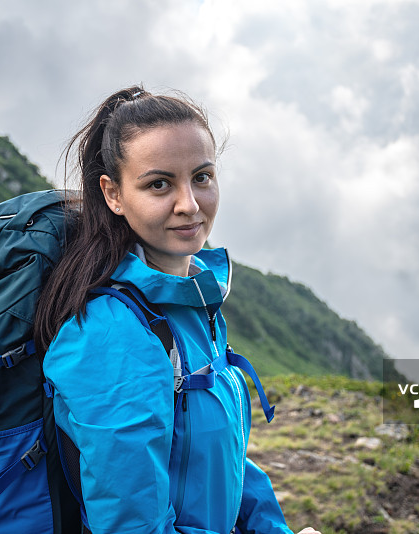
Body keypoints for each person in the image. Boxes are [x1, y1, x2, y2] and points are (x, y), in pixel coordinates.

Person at [34, 86, 321, 534]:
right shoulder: (113, 333)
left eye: (202, 177)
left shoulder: (192, 302)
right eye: (159, 184)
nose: (189, 205)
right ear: (113, 195)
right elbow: (134, 526)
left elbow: (226, 462)